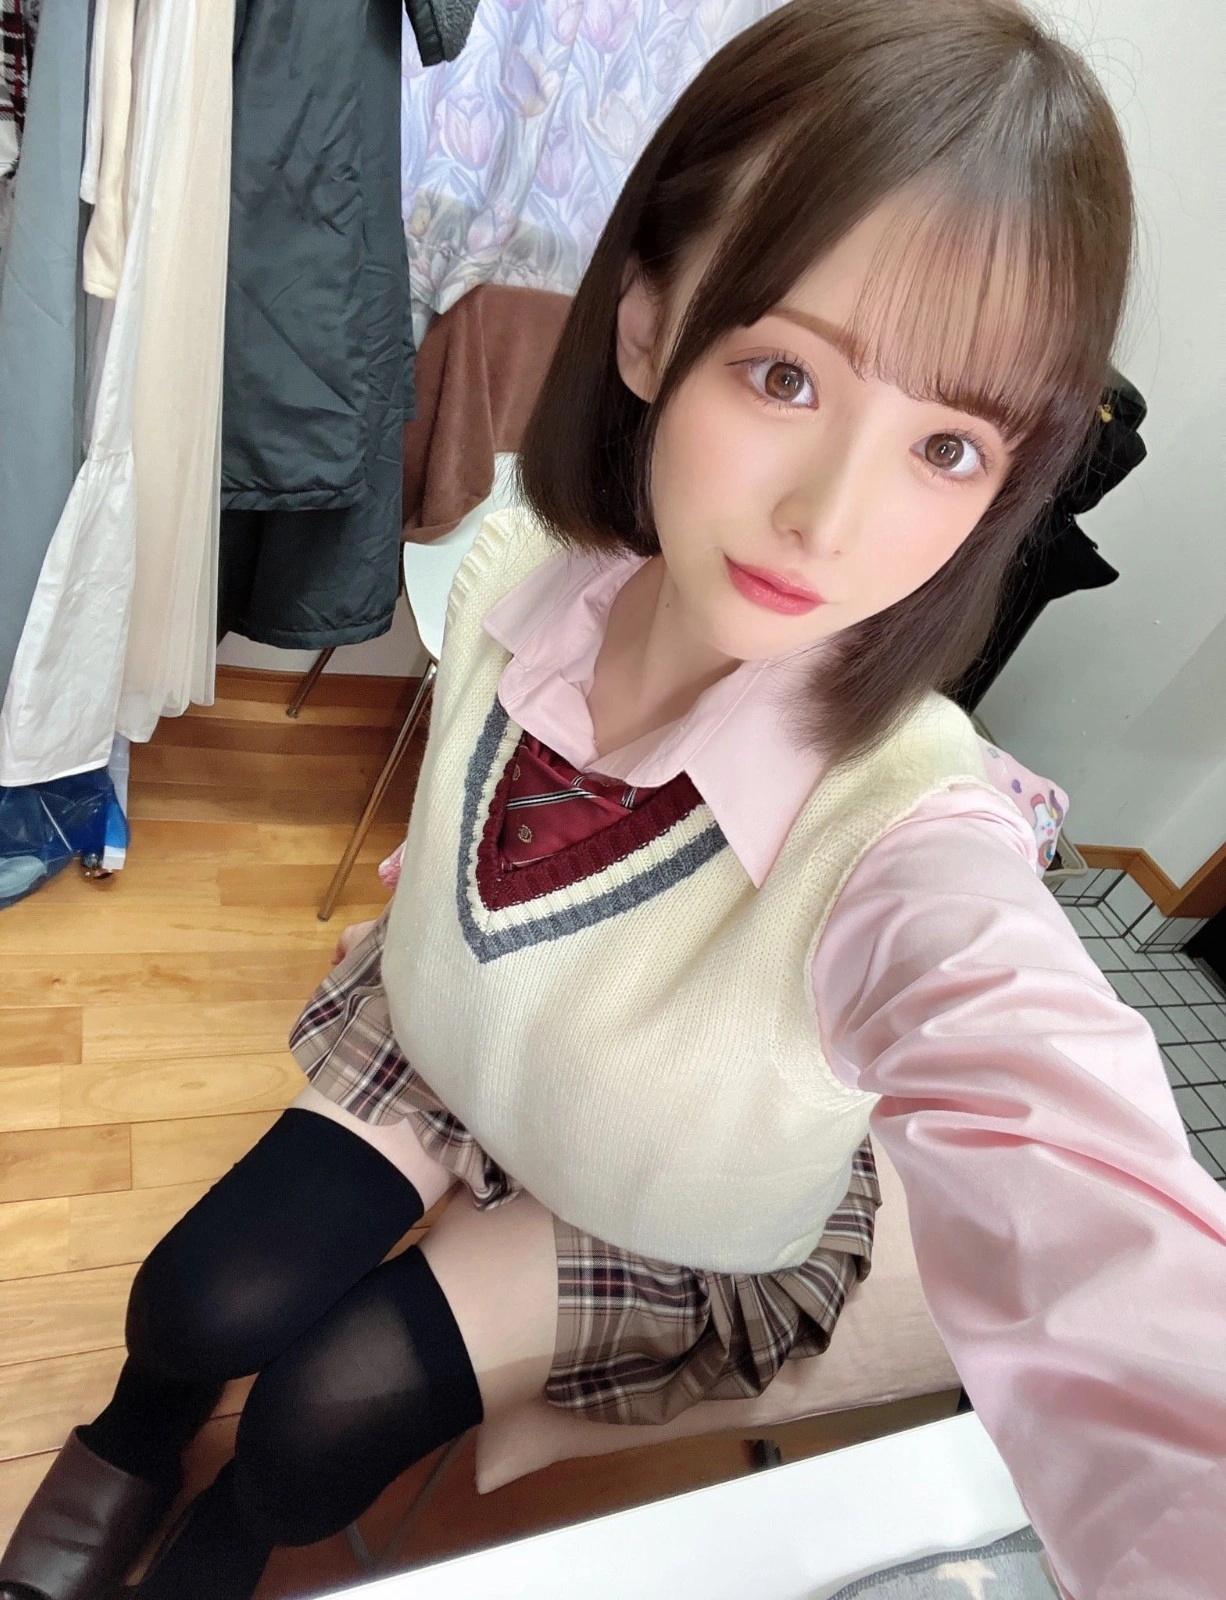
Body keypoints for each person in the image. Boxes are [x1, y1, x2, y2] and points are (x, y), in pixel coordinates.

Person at [4, 2, 1224, 1596]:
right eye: (783, 375)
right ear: (646, 326)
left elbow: (1083, 1185)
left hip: (668, 1185)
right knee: (195, 1300)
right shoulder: (524, 561)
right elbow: (462, 822)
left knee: (316, 1424)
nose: (828, 521)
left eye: (946, 450)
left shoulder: (914, 832)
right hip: (464, 1043)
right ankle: (131, 1439)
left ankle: (226, 1537)